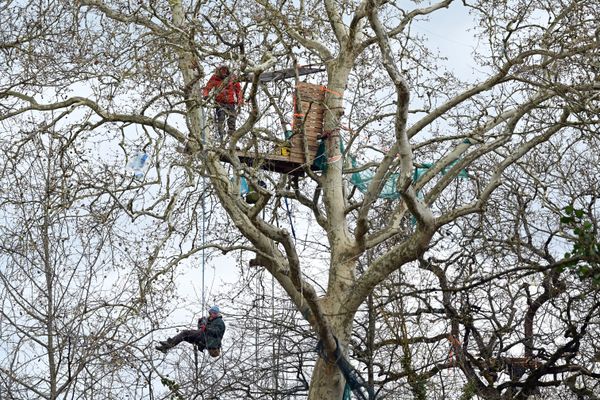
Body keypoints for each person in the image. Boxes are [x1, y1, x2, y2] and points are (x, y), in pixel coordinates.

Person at [155, 305, 226, 357]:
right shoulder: (209, 320)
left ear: (217, 314)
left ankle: (168, 344)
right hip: (203, 338)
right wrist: (201, 323)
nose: (212, 314)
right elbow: (200, 328)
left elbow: (217, 332)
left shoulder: (219, 322)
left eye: (214, 313)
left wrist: (206, 328)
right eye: (211, 313)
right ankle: (165, 347)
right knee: (184, 336)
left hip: (207, 340)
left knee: (185, 333)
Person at [202, 65, 243, 140]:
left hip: (231, 103)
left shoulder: (232, 77)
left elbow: (238, 90)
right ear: (219, 71)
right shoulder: (215, 78)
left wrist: (240, 100)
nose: (224, 73)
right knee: (221, 119)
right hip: (219, 103)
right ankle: (221, 138)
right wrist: (205, 95)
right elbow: (207, 88)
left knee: (232, 120)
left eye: (225, 71)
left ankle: (232, 138)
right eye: (222, 71)